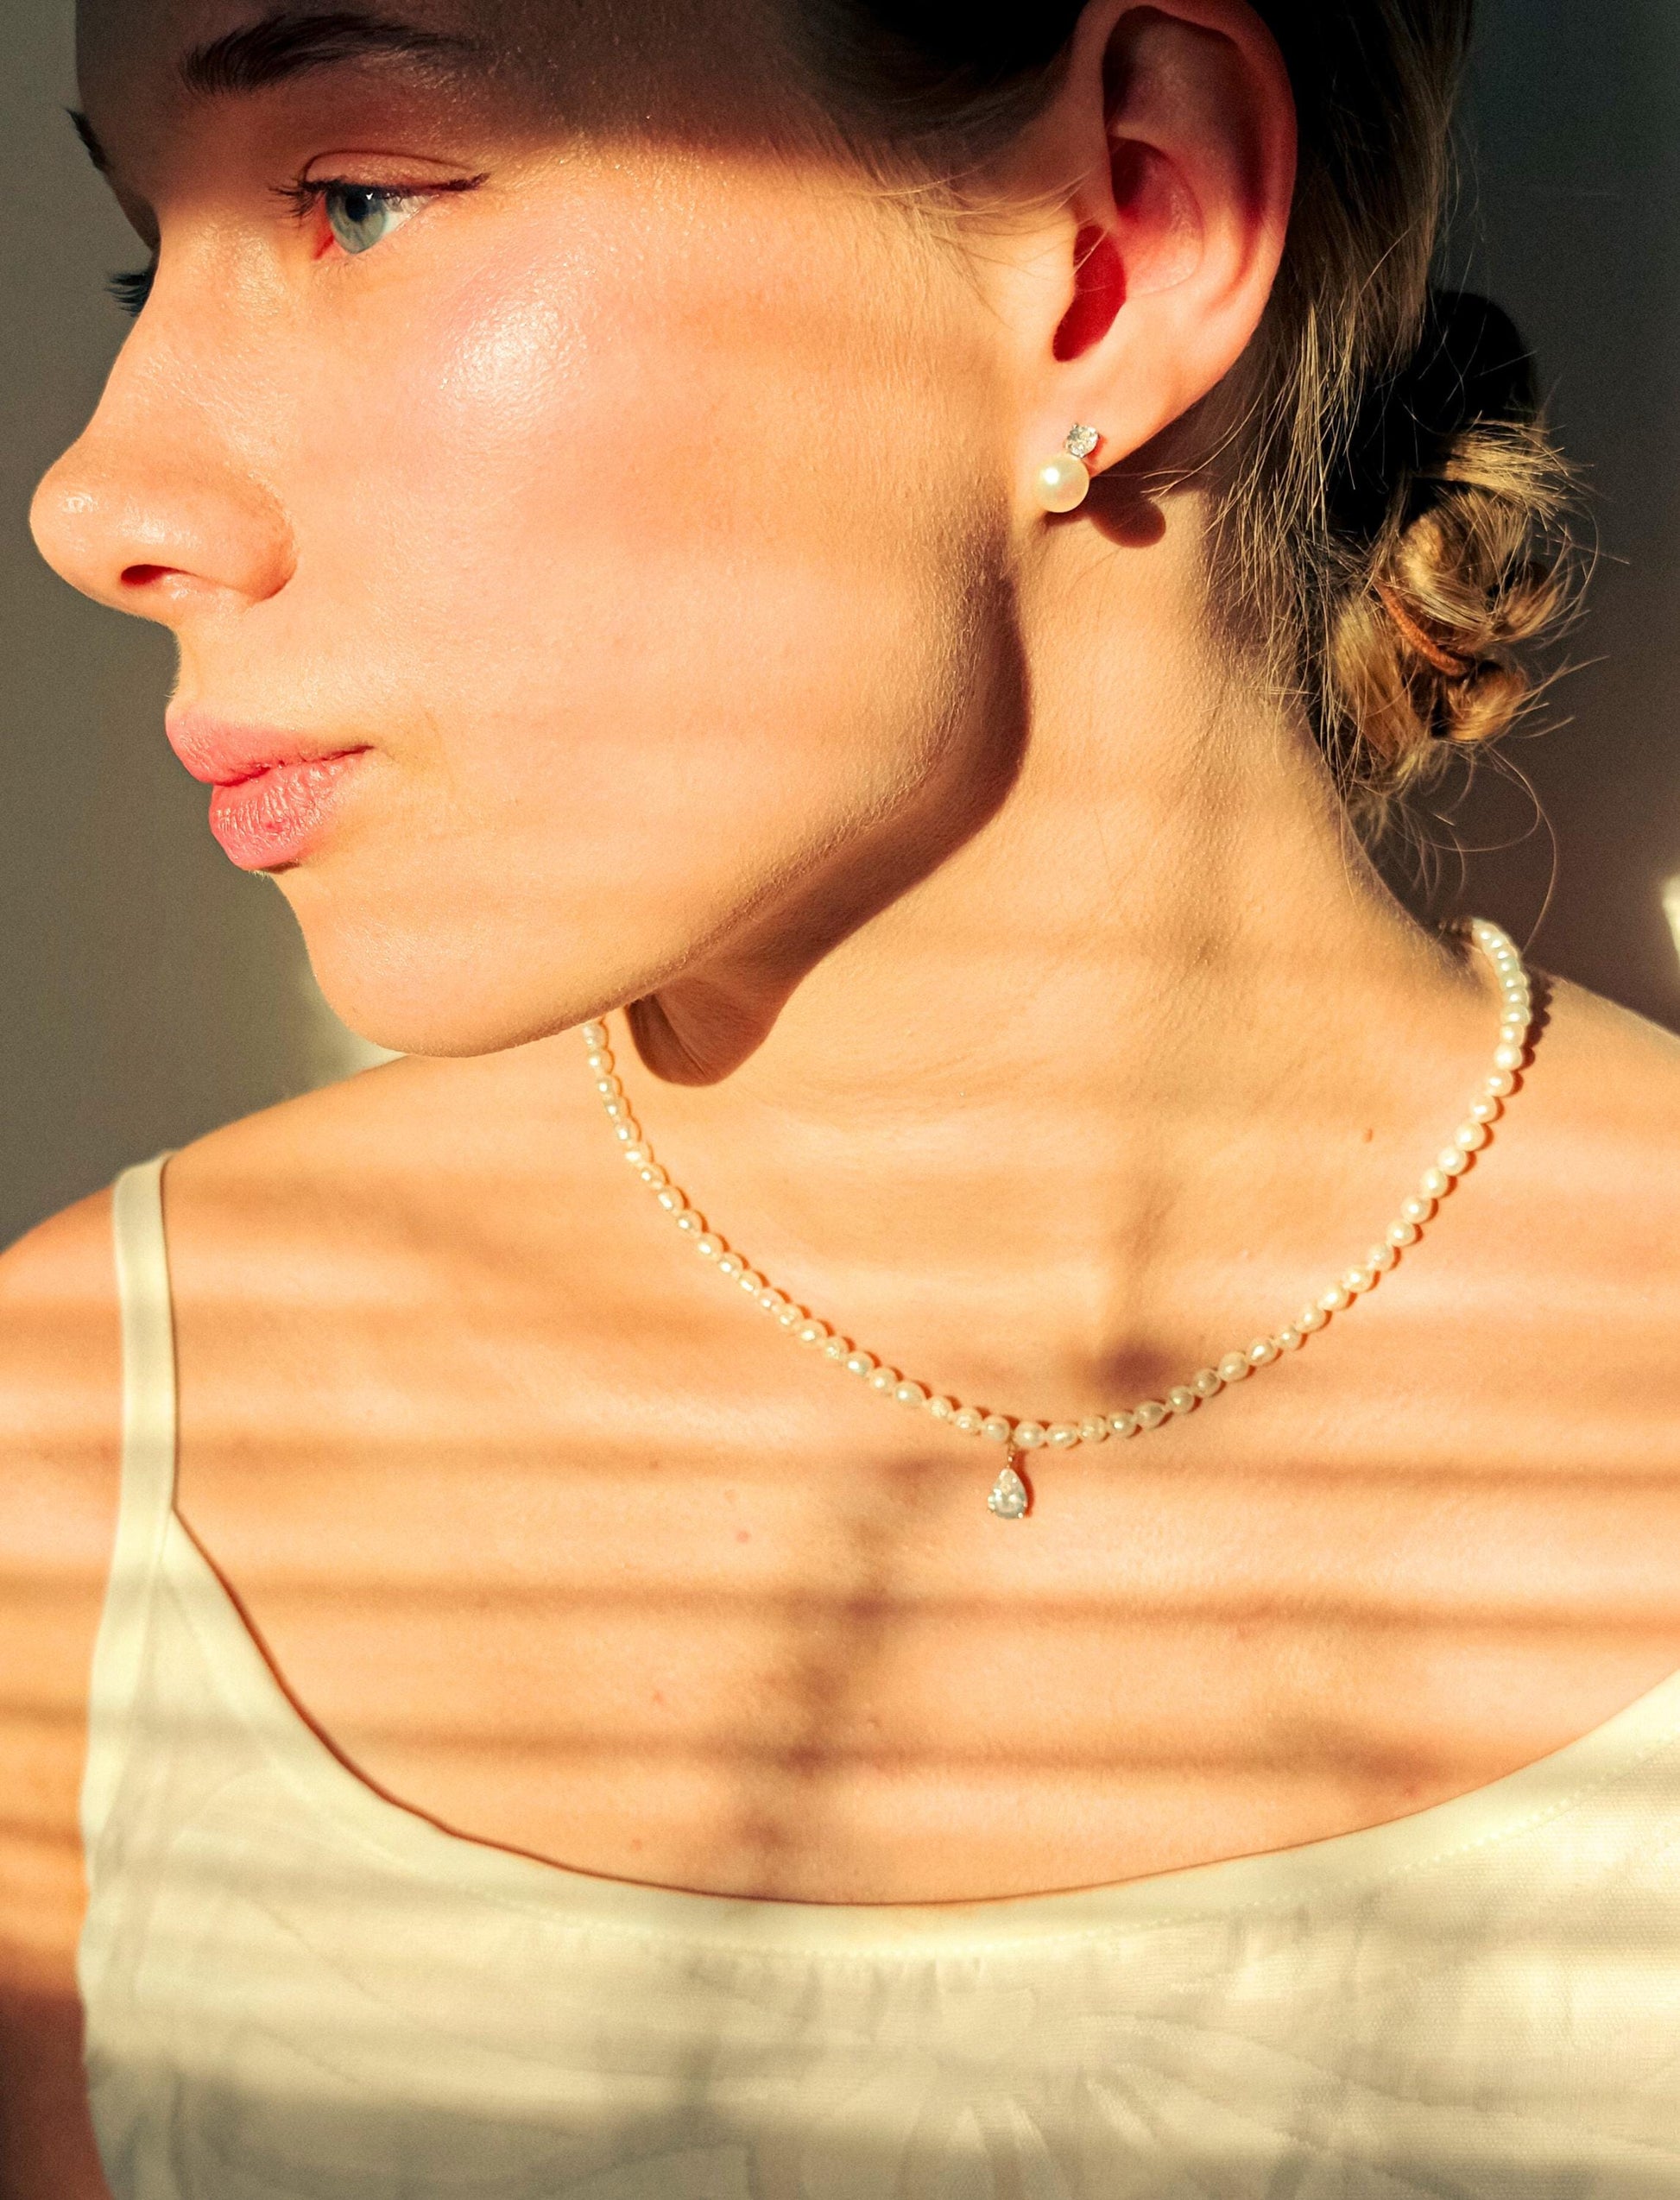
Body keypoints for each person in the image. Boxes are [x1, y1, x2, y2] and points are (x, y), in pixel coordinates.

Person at [4, 0, 1679, 2191]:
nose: (92, 501)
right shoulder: (79, 1478)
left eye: (355, 199)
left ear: (1115, 233)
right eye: (152, 255)